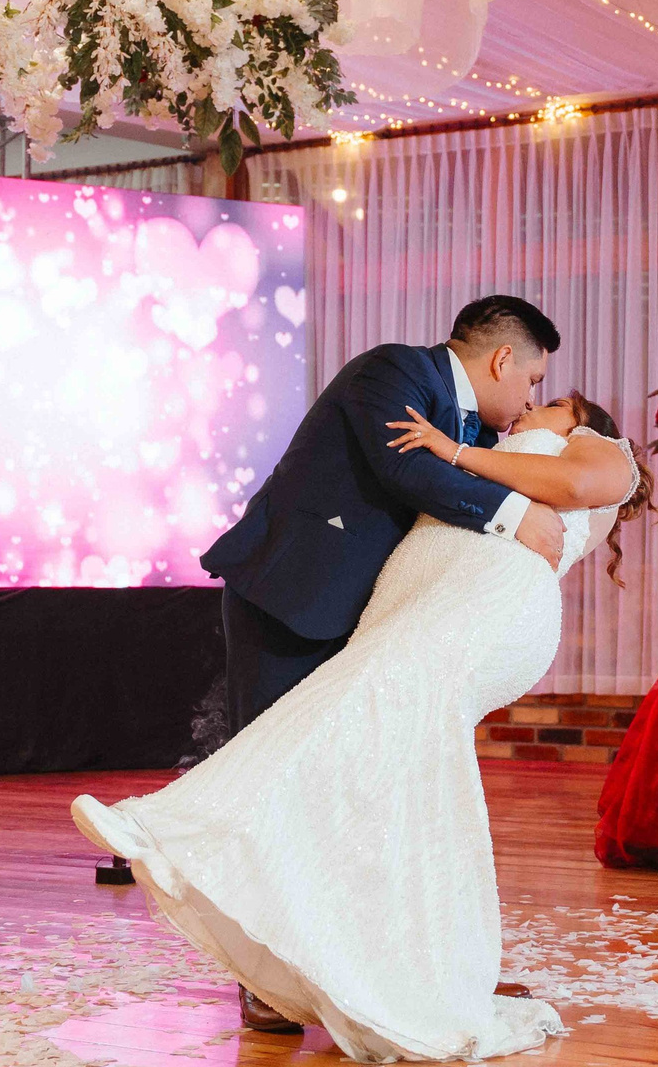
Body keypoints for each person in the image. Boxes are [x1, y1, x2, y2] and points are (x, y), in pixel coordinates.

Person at [73, 388, 653, 1063]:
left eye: (552, 402)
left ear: (583, 424)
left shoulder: (603, 456)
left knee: (340, 710)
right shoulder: (494, 449)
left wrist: (452, 451)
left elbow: (576, 483)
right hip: (420, 601)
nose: (530, 406)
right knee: (381, 764)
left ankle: (169, 824)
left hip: (485, 604)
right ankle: (392, 961)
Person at [196, 295, 570, 749]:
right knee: (261, 756)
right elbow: (407, 467)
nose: (530, 400)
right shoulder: (396, 368)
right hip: (295, 592)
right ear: (502, 359)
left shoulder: (484, 437)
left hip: (363, 619)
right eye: (532, 381)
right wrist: (517, 513)